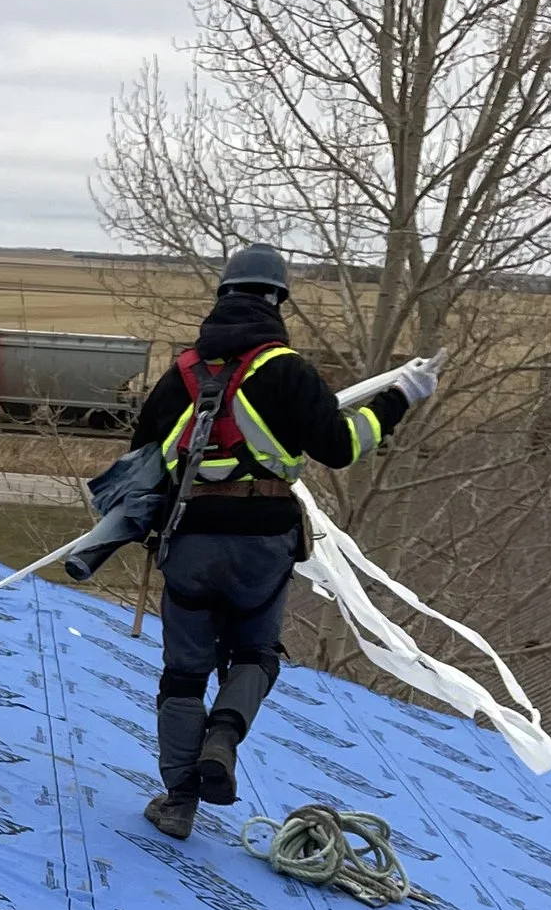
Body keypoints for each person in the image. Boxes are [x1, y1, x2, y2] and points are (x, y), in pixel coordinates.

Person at [126, 244, 435, 838]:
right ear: (277, 301)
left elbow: (138, 466)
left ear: (222, 297)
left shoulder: (181, 375)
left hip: (189, 540)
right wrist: (398, 400)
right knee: (255, 654)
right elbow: (342, 447)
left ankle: (177, 802)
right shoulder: (288, 371)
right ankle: (223, 737)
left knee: (183, 674)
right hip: (264, 541)